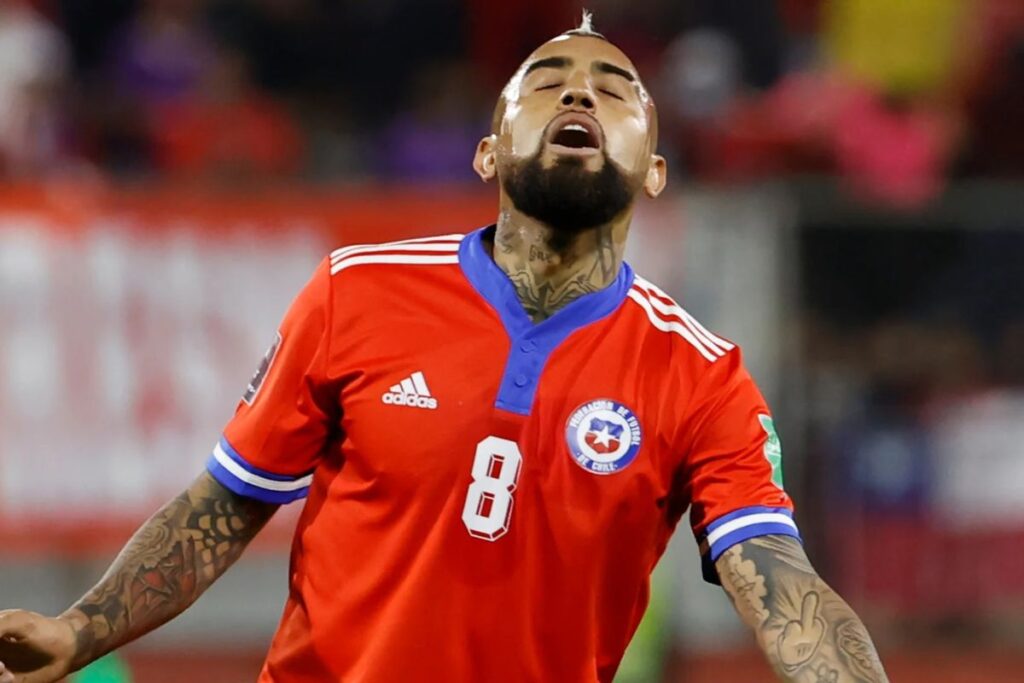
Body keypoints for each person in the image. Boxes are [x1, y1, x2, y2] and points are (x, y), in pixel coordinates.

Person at [0, 13, 888, 683]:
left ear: (655, 167)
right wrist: (80, 631)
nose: (580, 94)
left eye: (616, 91)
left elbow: (775, 574)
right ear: (487, 150)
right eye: (546, 83)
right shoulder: (357, 290)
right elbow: (223, 506)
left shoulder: (703, 378)